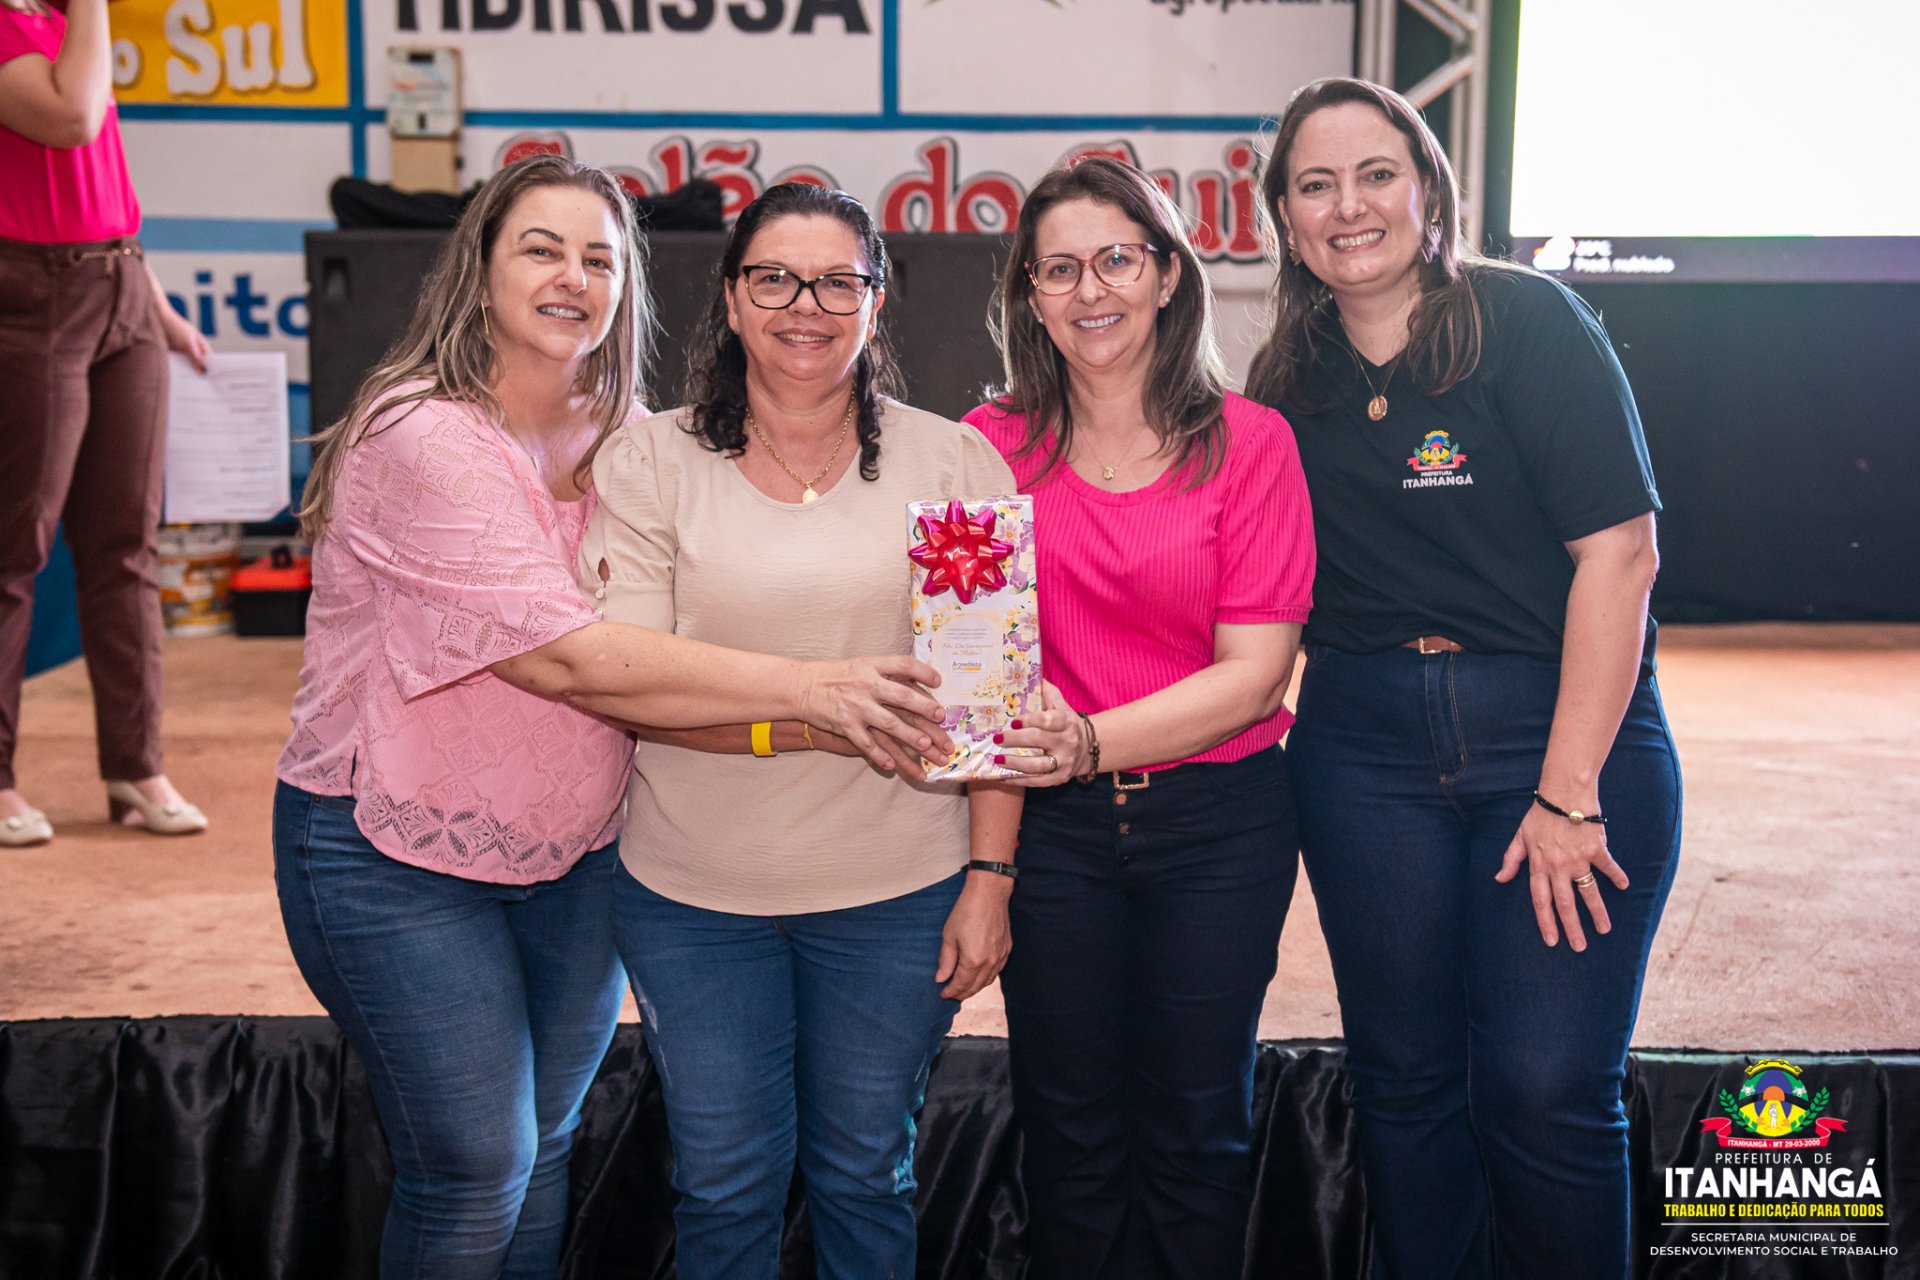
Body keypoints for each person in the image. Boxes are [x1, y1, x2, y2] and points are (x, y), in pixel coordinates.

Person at [273, 157, 951, 1280]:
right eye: (541, 249)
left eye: (599, 258)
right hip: (393, 845)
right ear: (479, 269)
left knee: (543, 1149)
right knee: (477, 1164)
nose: (573, 278)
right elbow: (565, 659)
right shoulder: (423, 435)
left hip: (577, 849)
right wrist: (812, 690)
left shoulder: (628, 439)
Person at [1245, 77, 1682, 1279]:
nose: (1348, 207)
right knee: (1405, 1083)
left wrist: (1568, 790)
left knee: (1546, 1087)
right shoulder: (1285, 381)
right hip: (1362, 749)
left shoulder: (1526, 320)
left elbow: (1621, 554)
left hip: (1555, 733)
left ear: (1428, 190)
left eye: (1375, 175)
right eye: (1316, 185)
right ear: (1284, 218)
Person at [584, 180, 1024, 1280]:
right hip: (691, 896)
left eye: (838, 282)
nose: (806, 306)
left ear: (876, 301)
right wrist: (810, 715)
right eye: (775, 279)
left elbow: (988, 705)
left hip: (898, 892)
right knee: (723, 1185)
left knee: (866, 1175)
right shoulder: (649, 463)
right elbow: (631, 684)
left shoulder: (952, 465)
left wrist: (989, 877)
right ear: (732, 299)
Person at [966, 156, 1315, 1280]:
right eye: (1058, 269)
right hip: (1053, 833)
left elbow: (1254, 676)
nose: (1091, 290)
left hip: (1220, 825)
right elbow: (977, 674)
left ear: (1168, 275)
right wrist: (994, 860)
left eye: (1117, 260)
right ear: (1030, 297)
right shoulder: (986, 444)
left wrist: (1088, 741)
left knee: (1197, 1129)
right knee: (1067, 1132)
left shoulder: (1253, 442)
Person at [0, 0, 214, 848]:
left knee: (126, 545)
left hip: (120, 283)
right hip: (33, 294)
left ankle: (136, 766)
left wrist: (154, 304)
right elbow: (71, 119)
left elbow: (101, 178)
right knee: (15, 547)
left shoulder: (58, 20)